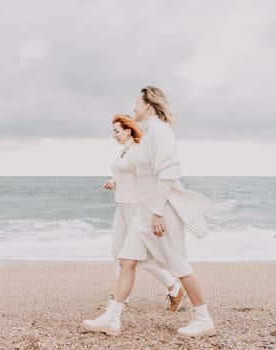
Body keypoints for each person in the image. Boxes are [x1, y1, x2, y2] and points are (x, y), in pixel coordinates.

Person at [83, 86, 227, 337]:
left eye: (137, 103)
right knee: (127, 260)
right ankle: (112, 319)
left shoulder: (162, 133)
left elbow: (167, 173)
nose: (134, 108)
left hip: (161, 211)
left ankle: (204, 319)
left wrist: (158, 213)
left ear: (148, 105)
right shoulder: (144, 134)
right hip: (144, 211)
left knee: (179, 265)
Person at [102, 114, 185, 311]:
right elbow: (122, 174)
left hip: (134, 207)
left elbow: (146, 178)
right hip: (120, 205)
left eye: (117, 131)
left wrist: (157, 208)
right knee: (117, 252)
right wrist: (113, 182)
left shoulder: (137, 150)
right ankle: (122, 297)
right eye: (113, 131)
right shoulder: (124, 151)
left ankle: (174, 287)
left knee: (140, 255)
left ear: (128, 130)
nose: (114, 135)